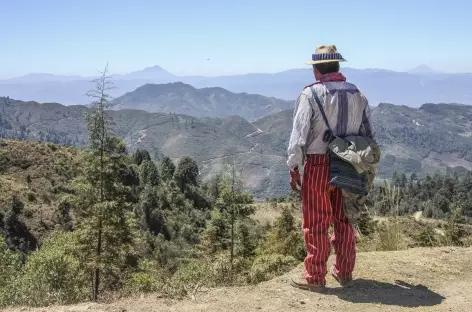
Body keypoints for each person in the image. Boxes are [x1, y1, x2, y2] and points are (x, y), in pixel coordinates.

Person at [287, 45, 374, 290]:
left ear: (316, 70)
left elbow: (299, 136)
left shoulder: (310, 95)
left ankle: (315, 277)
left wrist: (294, 166)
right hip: (350, 163)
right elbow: (369, 134)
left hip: (318, 164)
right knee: (345, 218)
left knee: (316, 222)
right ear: (337, 66)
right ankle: (344, 272)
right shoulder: (358, 94)